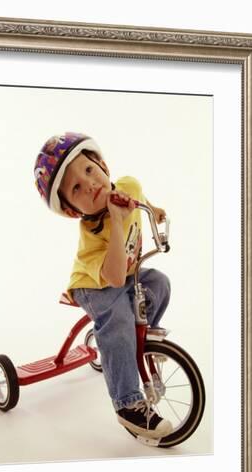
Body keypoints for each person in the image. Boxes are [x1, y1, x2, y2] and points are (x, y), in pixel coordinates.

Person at [34, 132, 173, 439]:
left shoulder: (128, 186)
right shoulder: (94, 230)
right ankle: (128, 405)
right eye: (77, 189)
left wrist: (153, 208)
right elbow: (112, 278)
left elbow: (139, 196)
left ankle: (140, 338)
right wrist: (119, 222)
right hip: (94, 282)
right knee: (119, 317)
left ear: (102, 164)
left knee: (159, 283)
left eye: (88, 170)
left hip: (124, 273)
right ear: (74, 210)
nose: (91, 184)